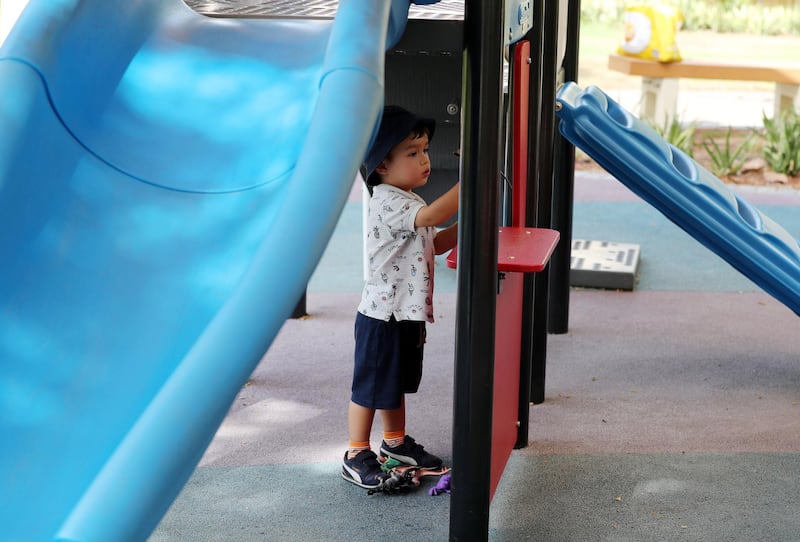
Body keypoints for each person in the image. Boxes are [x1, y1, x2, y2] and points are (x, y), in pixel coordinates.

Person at [342, 105, 460, 489]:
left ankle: (394, 445)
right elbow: (429, 220)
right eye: (412, 153)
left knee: (393, 384)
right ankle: (356, 452)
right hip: (382, 316)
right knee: (371, 388)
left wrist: (470, 220)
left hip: (405, 313)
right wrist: (470, 183)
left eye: (425, 150)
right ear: (381, 166)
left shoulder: (410, 202)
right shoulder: (388, 200)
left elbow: (436, 241)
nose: (424, 159)